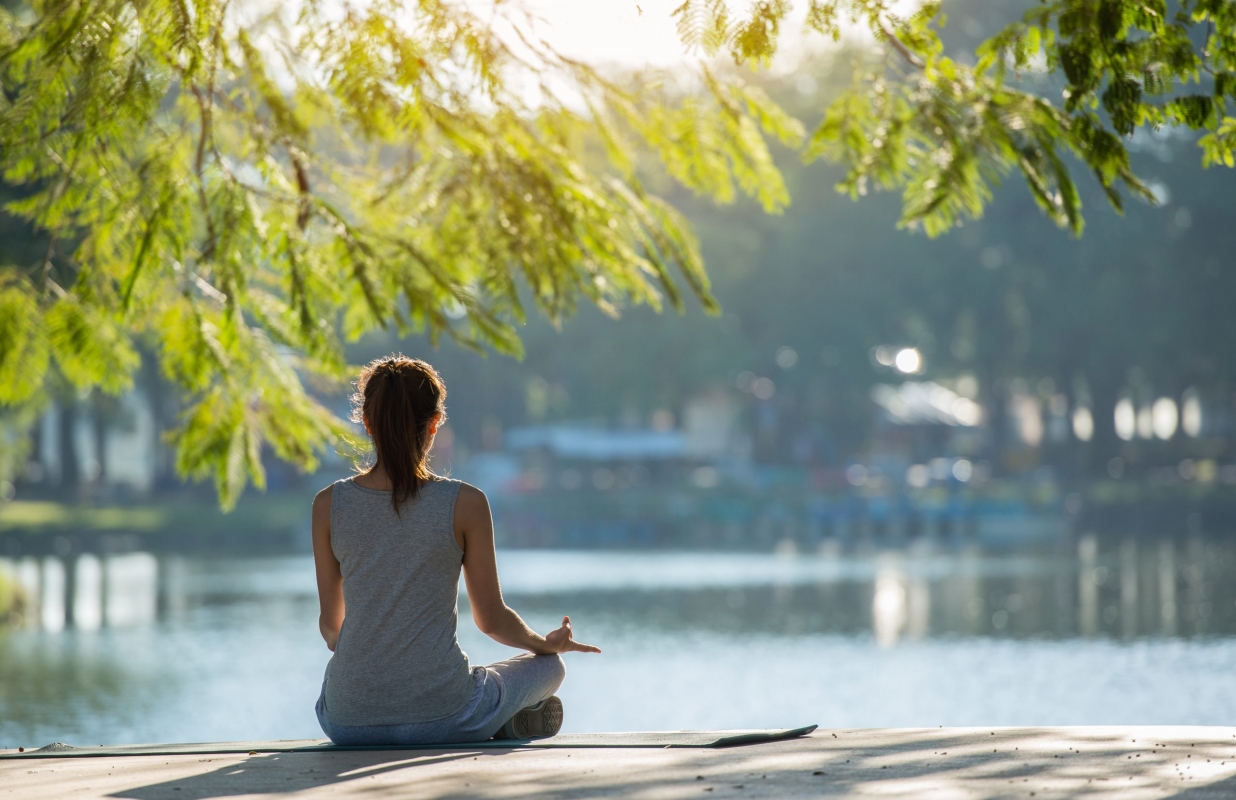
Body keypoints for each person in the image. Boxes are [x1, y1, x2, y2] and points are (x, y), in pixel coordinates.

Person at [311, 355, 601, 746]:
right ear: (435, 423)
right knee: (552, 668)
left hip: (347, 723)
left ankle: (497, 720)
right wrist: (546, 645)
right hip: (446, 717)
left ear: (366, 422)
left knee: (339, 681)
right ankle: (500, 720)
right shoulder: (466, 503)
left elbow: (332, 629)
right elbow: (492, 621)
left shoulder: (328, 505)